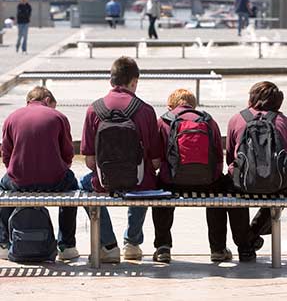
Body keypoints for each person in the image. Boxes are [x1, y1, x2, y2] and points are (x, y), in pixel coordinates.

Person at [153, 88, 254, 263]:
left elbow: (155, 156)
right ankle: (217, 249)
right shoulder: (208, 121)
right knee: (220, 192)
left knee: (160, 187)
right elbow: (218, 157)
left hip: (172, 182)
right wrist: (214, 178)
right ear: (193, 105)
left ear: (171, 106)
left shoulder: (163, 121)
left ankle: (163, 247)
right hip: (206, 182)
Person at [80, 56, 160, 261]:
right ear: (134, 82)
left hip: (104, 183)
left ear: (111, 81)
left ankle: (108, 246)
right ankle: (132, 243)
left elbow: (89, 161)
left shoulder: (93, 109)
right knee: (147, 178)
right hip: (140, 183)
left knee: (84, 184)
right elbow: (155, 161)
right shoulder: (146, 110)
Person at [0, 86, 79, 261]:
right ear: (48, 100)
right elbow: (68, 153)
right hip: (54, 181)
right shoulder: (58, 117)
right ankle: (66, 245)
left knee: (2, 186)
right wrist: (59, 169)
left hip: (20, 181)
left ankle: (3, 244)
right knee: (73, 185)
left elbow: (6, 154)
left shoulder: (12, 118)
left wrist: (17, 172)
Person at [227, 81, 287, 252]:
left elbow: (230, 157)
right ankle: (253, 232)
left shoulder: (237, 119)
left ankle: (243, 243)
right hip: (278, 185)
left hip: (243, 184)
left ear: (252, 98)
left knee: (231, 190)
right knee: (281, 191)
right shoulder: (283, 121)